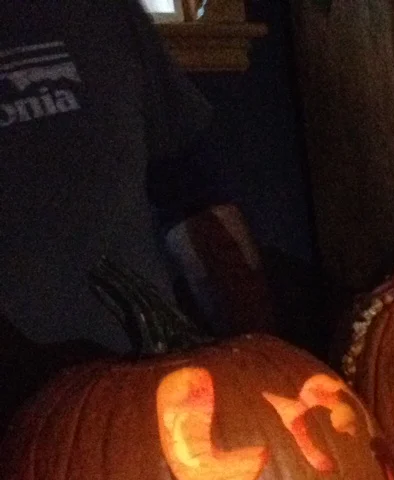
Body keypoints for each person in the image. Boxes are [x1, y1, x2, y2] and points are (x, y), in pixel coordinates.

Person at [0, 0, 273, 421]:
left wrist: (260, 355)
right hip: (25, 413)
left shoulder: (108, 13)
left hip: (156, 381)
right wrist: (38, 372)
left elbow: (192, 195)